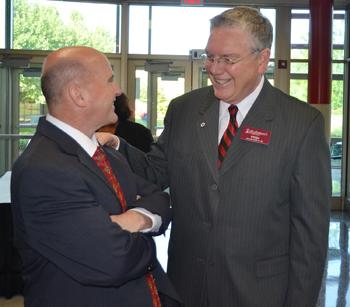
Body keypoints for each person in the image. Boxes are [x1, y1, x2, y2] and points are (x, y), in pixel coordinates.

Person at [114, 6, 331, 307]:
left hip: (258, 293)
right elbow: (156, 170)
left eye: (228, 59)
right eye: (211, 57)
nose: (215, 69)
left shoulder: (301, 124)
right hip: (187, 287)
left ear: (262, 60)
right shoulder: (185, 110)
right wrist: (113, 147)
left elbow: (310, 236)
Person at [10, 46, 181, 307]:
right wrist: (146, 240)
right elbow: (116, 260)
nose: (118, 90)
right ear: (78, 95)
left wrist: (134, 220)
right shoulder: (43, 169)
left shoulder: (108, 154)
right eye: (110, 79)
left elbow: (160, 199)